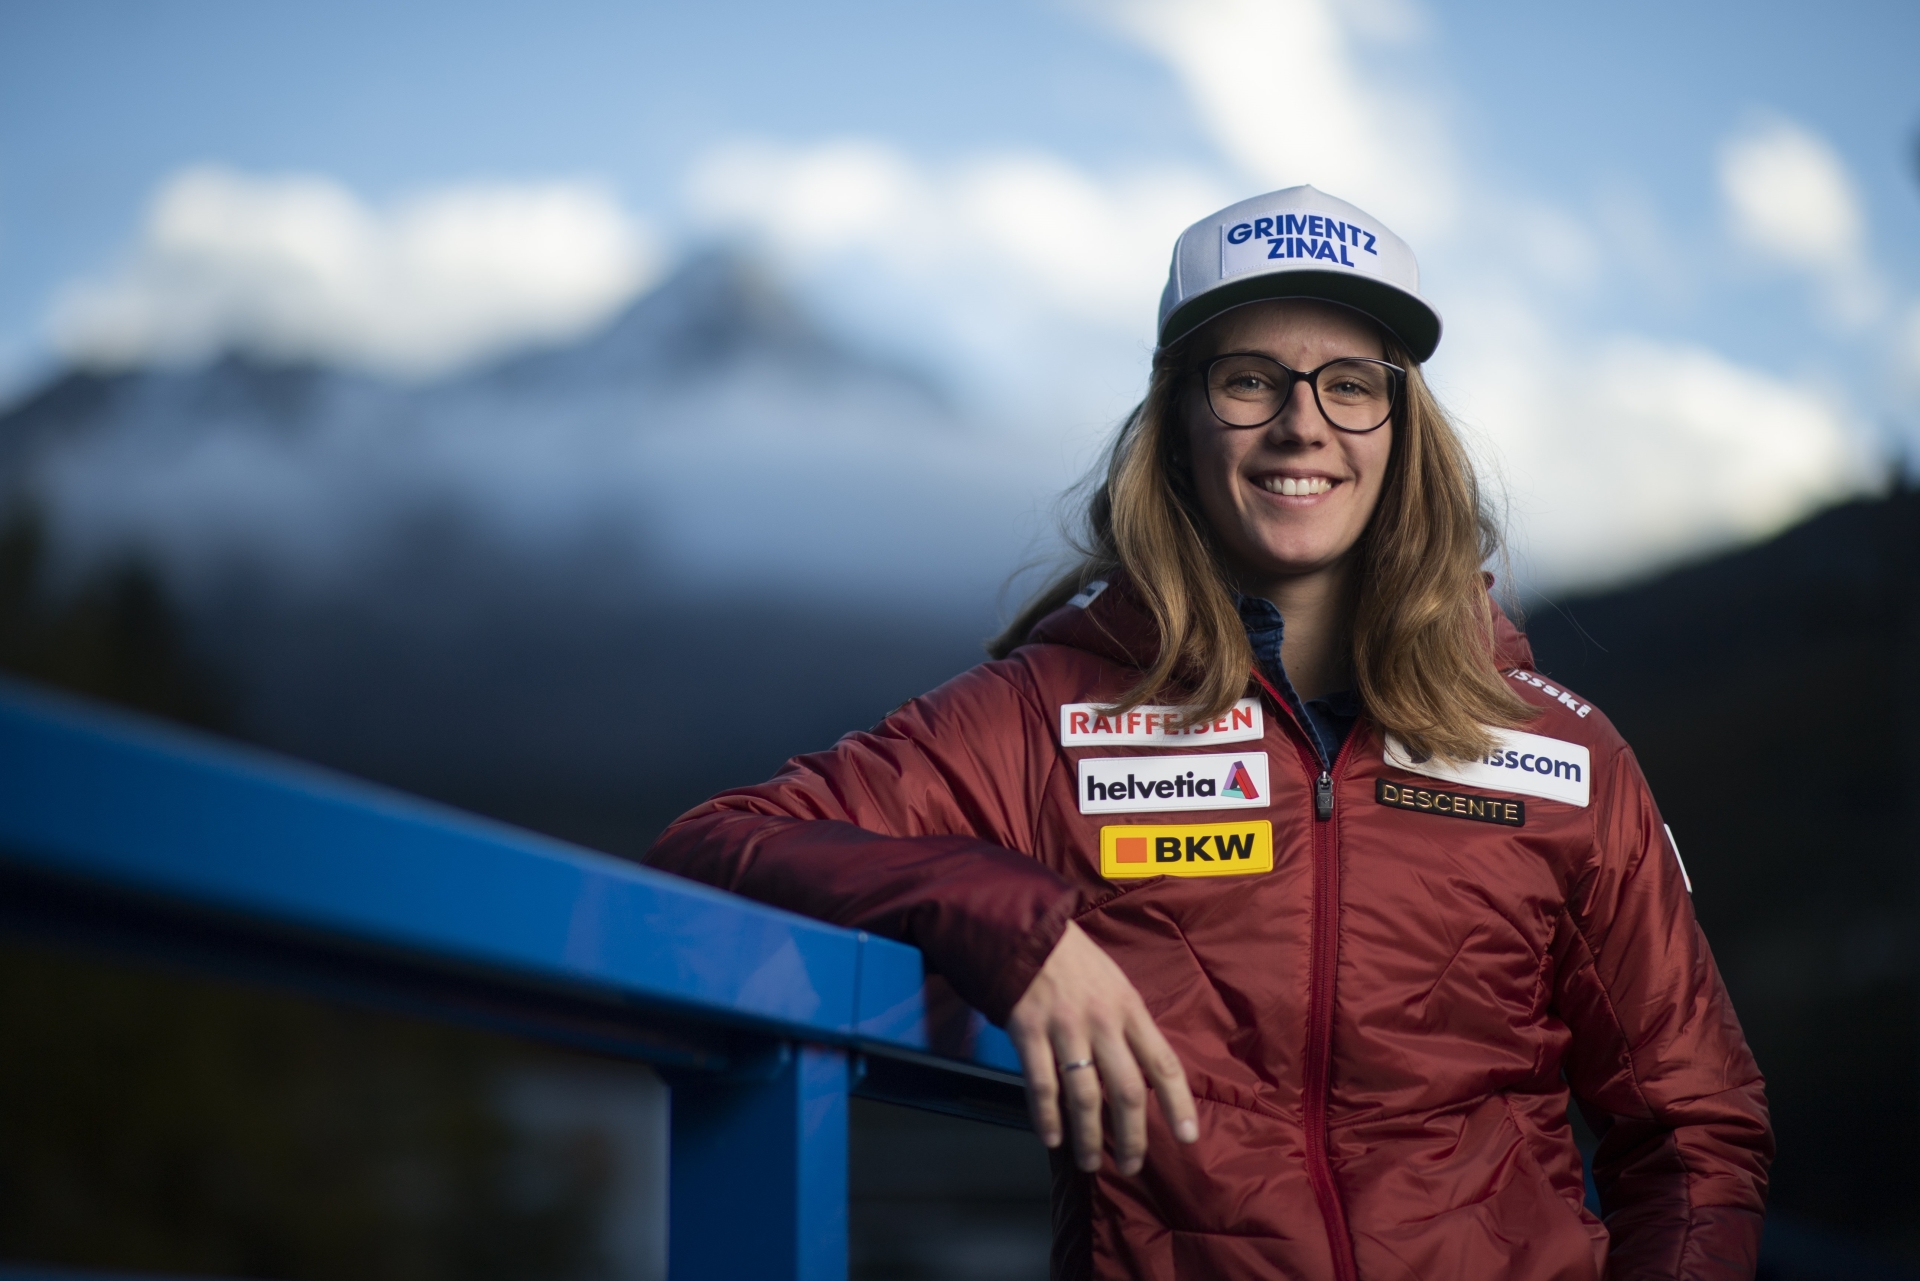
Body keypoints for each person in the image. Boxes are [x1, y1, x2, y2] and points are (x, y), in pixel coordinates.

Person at [645, 185, 1772, 1281]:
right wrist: (1002, 924)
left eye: (1351, 384)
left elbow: (1694, 1127)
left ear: (1403, 428)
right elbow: (718, 843)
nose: (1301, 424)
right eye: (1248, 380)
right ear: (1178, 423)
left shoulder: (1566, 759)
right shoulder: (1048, 715)